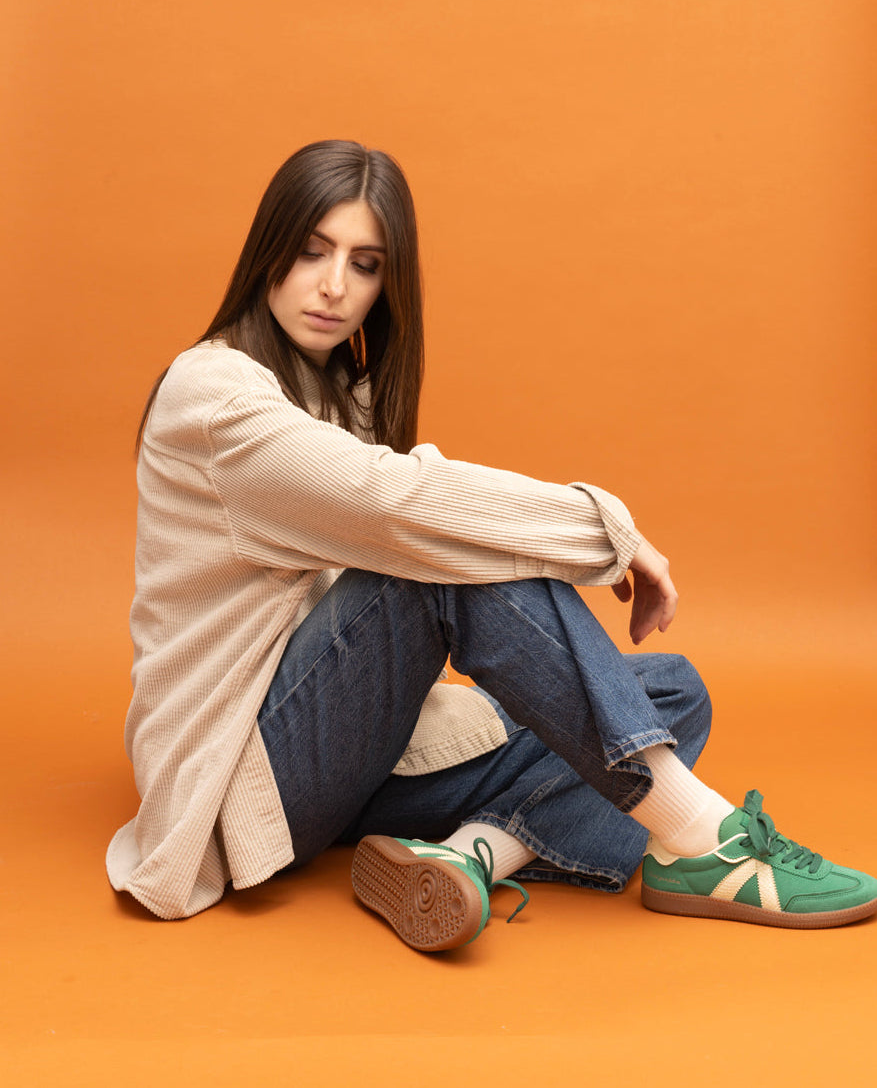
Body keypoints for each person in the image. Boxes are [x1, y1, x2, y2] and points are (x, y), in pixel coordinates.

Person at [107, 139, 877, 945]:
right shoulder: (215, 395)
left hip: (346, 759)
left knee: (666, 694)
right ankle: (708, 843)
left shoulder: (337, 393)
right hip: (242, 777)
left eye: (364, 265)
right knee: (436, 557)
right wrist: (604, 530)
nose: (334, 286)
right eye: (310, 252)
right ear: (268, 250)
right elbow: (398, 504)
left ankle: (464, 857)